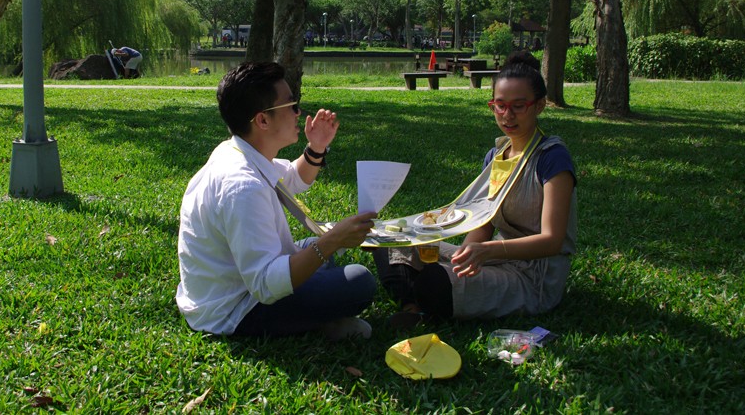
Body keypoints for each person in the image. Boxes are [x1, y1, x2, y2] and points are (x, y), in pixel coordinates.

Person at [373, 51, 577, 326]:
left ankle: (421, 300)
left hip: (531, 276)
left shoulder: (552, 158)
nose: (507, 116)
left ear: (539, 106)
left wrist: (486, 252)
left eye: (519, 106)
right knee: (391, 243)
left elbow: (552, 240)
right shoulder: (496, 156)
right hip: (492, 257)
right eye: (500, 106)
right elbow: (484, 222)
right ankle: (415, 307)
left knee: (434, 280)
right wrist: (462, 258)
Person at [176, 62, 378, 340]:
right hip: (236, 309)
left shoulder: (240, 151)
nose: (298, 113)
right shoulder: (242, 186)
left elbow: (293, 177)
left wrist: (317, 147)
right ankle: (315, 323)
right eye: (291, 105)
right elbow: (264, 285)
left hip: (236, 285)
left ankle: (317, 317)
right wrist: (331, 241)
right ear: (263, 120)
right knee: (359, 281)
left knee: (317, 248)